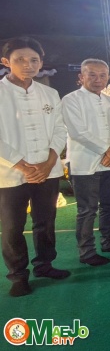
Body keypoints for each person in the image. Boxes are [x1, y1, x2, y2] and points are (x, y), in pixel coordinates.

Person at [0, 37, 69, 297]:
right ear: (6, 62)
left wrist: (50, 162)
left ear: (41, 63)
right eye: (20, 59)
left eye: (34, 60)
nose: (28, 65)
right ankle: (18, 275)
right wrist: (23, 166)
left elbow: (60, 129)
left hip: (46, 170)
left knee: (45, 221)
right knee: (12, 227)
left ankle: (45, 265)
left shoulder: (49, 94)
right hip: (9, 173)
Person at [63, 58, 110, 267]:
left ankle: (109, 242)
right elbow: (78, 132)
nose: (97, 79)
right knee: (87, 210)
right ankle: (87, 252)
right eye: (92, 75)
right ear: (81, 77)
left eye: (102, 75)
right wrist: (107, 150)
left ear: (108, 77)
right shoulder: (71, 100)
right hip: (85, 163)